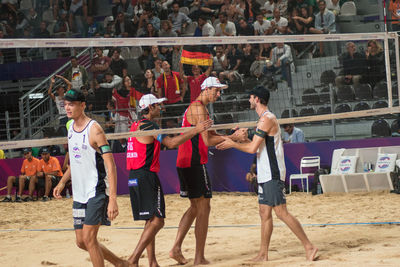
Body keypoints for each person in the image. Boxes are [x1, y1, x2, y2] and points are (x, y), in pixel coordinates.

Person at [216, 85, 318, 262]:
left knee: (281, 212)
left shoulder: (267, 119)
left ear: (257, 99)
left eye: (250, 97)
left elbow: (252, 148)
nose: (249, 100)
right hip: (265, 173)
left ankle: (309, 246)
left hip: (272, 172)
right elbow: (258, 147)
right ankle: (263, 254)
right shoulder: (262, 120)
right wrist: (242, 138)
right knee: (264, 212)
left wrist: (234, 144)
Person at [126, 94, 213, 266]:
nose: (161, 108)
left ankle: (152, 262)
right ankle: (133, 259)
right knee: (158, 221)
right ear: (150, 108)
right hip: (146, 176)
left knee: (150, 221)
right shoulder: (149, 125)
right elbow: (172, 143)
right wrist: (195, 130)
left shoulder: (135, 125)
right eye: (157, 106)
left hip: (133, 177)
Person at [170, 77, 246, 265]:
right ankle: (199, 258)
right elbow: (207, 142)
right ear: (207, 89)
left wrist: (230, 136)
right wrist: (233, 138)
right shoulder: (199, 109)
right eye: (217, 90)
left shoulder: (196, 108)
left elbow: (211, 136)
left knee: (196, 206)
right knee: (204, 207)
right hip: (193, 161)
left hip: (186, 161)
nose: (219, 94)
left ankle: (176, 248)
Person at [53, 89, 128, 267]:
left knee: (89, 238)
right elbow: (76, 160)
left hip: (96, 190)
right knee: (81, 241)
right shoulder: (70, 127)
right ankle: (120, 263)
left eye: (71, 104)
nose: (67, 108)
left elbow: (111, 165)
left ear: (83, 105)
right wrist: (63, 182)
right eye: (66, 104)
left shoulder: (95, 130)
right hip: (79, 192)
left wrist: (113, 199)